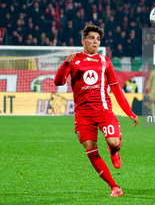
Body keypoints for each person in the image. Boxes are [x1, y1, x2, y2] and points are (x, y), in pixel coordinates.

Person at [54, 25, 138, 197]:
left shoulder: (105, 61)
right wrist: (64, 64)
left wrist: (129, 112)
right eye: (92, 38)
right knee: (90, 149)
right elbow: (58, 82)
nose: (95, 41)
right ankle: (114, 187)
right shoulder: (74, 59)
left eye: (98, 39)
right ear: (83, 41)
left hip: (102, 109)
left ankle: (114, 151)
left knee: (114, 142)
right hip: (82, 113)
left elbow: (116, 89)